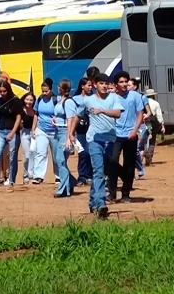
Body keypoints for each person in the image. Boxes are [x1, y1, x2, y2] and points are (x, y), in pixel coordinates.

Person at [68, 73, 123, 218]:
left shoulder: (113, 98)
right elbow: (77, 116)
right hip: (94, 140)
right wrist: (71, 133)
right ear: (95, 84)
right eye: (101, 84)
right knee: (98, 171)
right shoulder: (87, 101)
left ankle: (93, 201)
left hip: (110, 140)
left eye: (106, 83)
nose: (104, 86)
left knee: (103, 172)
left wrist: (103, 111)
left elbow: (118, 114)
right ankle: (100, 203)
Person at [111, 71, 143, 203]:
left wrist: (135, 131)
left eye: (126, 82)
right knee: (112, 161)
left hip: (130, 134)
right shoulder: (111, 97)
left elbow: (140, 114)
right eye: (121, 82)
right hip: (115, 135)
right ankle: (112, 194)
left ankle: (126, 194)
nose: (124, 84)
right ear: (116, 84)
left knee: (129, 164)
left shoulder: (135, 96)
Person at [32, 78, 59, 184]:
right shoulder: (39, 99)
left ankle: (58, 176)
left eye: (46, 91)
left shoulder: (56, 100)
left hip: (54, 131)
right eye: (43, 91)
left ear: (51, 90)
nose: (44, 93)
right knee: (40, 152)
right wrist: (34, 128)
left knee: (56, 154)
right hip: (41, 129)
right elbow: (36, 114)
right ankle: (38, 176)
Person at [53, 78, 76, 198]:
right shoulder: (60, 100)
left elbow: (70, 119)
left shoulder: (68, 102)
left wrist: (68, 137)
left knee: (60, 160)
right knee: (58, 160)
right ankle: (70, 182)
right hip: (57, 131)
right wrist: (54, 119)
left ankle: (63, 188)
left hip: (64, 132)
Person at [18, 92, 38, 184]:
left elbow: (35, 121)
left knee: (33, 152)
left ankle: (32, 173)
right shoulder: (21, 110)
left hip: (33, 132)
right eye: (27, 99)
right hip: (24, 132)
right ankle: (25, 174)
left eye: (31, 100)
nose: (29, 102)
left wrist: (33, 131)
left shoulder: (34, 111)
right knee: (26, 155)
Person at [144, 88, 165, 165]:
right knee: (152, 141)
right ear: (153, 95)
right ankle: (149, 157)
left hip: (143, 123)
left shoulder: (143, 102)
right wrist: (162, 125)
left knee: (144, 140)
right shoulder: (156, 103)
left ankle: (144, 153)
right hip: (153, 123)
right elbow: (159, 116)